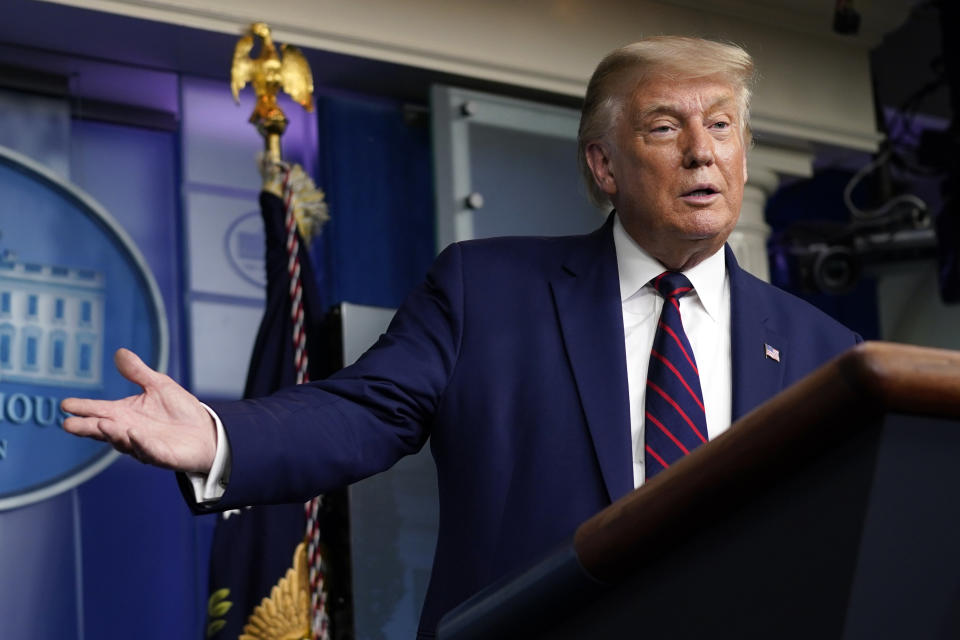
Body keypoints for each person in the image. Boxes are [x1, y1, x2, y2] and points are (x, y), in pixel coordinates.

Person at [63, 36, 861, 639]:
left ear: (744, 153)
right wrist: (215, 435)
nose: (701, 150)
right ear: (604, 165)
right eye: (664, 127)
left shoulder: (824, 353)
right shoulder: (488, 291)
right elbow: (361, 414)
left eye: (721, 126)